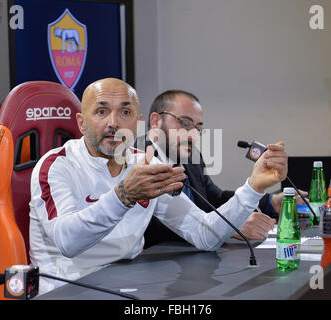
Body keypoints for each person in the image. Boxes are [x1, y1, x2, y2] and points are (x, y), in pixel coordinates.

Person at [29, 78, 288, 294]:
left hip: (127, 283)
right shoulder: (56, 166)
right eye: (101, 111)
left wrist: (253, 187)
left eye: (125, 112)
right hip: (68, 289)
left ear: (137, 121)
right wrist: (124, 196)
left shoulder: (144, 164)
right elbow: (68, 242)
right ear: (81, 123)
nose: (114, 123)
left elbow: (205, 234)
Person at [143, 90, 304, 248]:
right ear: (156, 121)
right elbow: (151, 226)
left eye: (198, 128)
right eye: (185, 123)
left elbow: (216, 199)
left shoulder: (192, 158)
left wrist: (270, 202)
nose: (193, 136)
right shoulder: (137, 160)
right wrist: (227, 227)